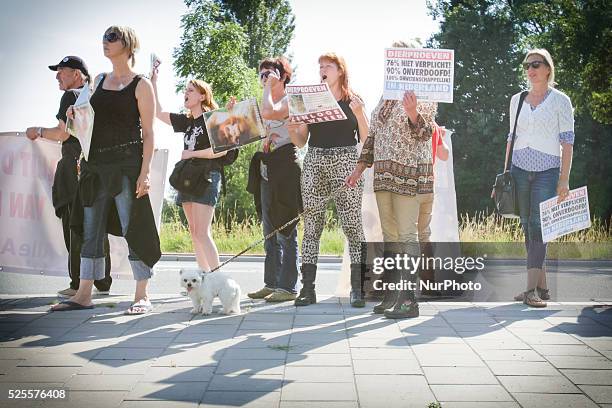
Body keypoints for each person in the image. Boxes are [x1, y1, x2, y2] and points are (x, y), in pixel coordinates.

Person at [51, 26, 161, 313]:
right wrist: (74, 116)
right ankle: (83, 294)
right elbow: (82, 123)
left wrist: (145, 172)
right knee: (90, 229)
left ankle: (142, 295)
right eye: (104, 38)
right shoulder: (98, 80)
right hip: (94, 166)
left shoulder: (141, 84)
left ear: (128, 44)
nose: (105, 42)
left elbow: (149, 133)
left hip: (126, 165)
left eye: (112, 38)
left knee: (132, 226)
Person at [346, 42, 437, 318]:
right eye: (392, 59)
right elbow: (373, 135)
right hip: (383, 176)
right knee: (390, 238)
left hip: (411, 174)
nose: (394, 63)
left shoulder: (424, 91)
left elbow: (427, 132)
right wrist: (360, 168)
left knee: (408, 236)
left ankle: (409, 300)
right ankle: (392, 294)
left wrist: (412, 113)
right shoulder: (386, 93)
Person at [26, 56, 112, 298]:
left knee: (74, 224)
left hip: (73, 168)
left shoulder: (71, 95)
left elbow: (62, 135)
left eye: (61, 71)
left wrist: (37, 131)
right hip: (96, 169)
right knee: (95, 224)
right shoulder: (96, 96)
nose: (57, 76)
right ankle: (103, 282)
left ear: (77, 74)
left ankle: (76, 284)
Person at [288, 52, 369, 308]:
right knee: (311, 225)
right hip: (314, 160)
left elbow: (366, 139)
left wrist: (360, 113)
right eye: (320, 66)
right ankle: (307, 289)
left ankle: (357, 289)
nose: (322, 69)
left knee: (353, 226)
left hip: (346, 159)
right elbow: (300, 141)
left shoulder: (353, 100)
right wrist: (294, 129)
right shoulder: (311, 99)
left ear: (340, 71)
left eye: (328, 66)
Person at [504, 49, 574, 307]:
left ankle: (530, 290)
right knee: (526, 226)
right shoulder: (517, 100)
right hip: (520, 169)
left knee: (539, 227)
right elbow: (511, 138)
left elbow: (567, 143)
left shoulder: (561, 101)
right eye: (527, 65)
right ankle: (542, 288)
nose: (530, 69)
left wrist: (564, 180)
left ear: (548, 69)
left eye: (536, 64)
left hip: (548, 171)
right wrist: (505, 175)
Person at [151, 70, 226, 274]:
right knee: (194, 232)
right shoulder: (187, 121)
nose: (186, 93)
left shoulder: (213, 119)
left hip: (208, 176)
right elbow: (157, 112)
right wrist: (154, 82)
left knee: (202, 232)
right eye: (186, 90)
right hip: (188, 177)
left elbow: (221, 151)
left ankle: (217, 278)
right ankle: (203, 275)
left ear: (202, 96)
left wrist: (191, 153)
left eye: (191, 90)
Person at [246, 56, 302, 302]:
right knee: (269, 229)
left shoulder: (290, 100)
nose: (264, 76)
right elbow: (245, 130)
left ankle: (288, 286)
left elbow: (270, 112)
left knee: (286, 227)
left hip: (286, 167)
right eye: (261, 73)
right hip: (266, 168)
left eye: (269, 72)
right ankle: (272, 282)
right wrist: (233, 112)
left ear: (283, 76)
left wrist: (268, 88)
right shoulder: (264, 101)